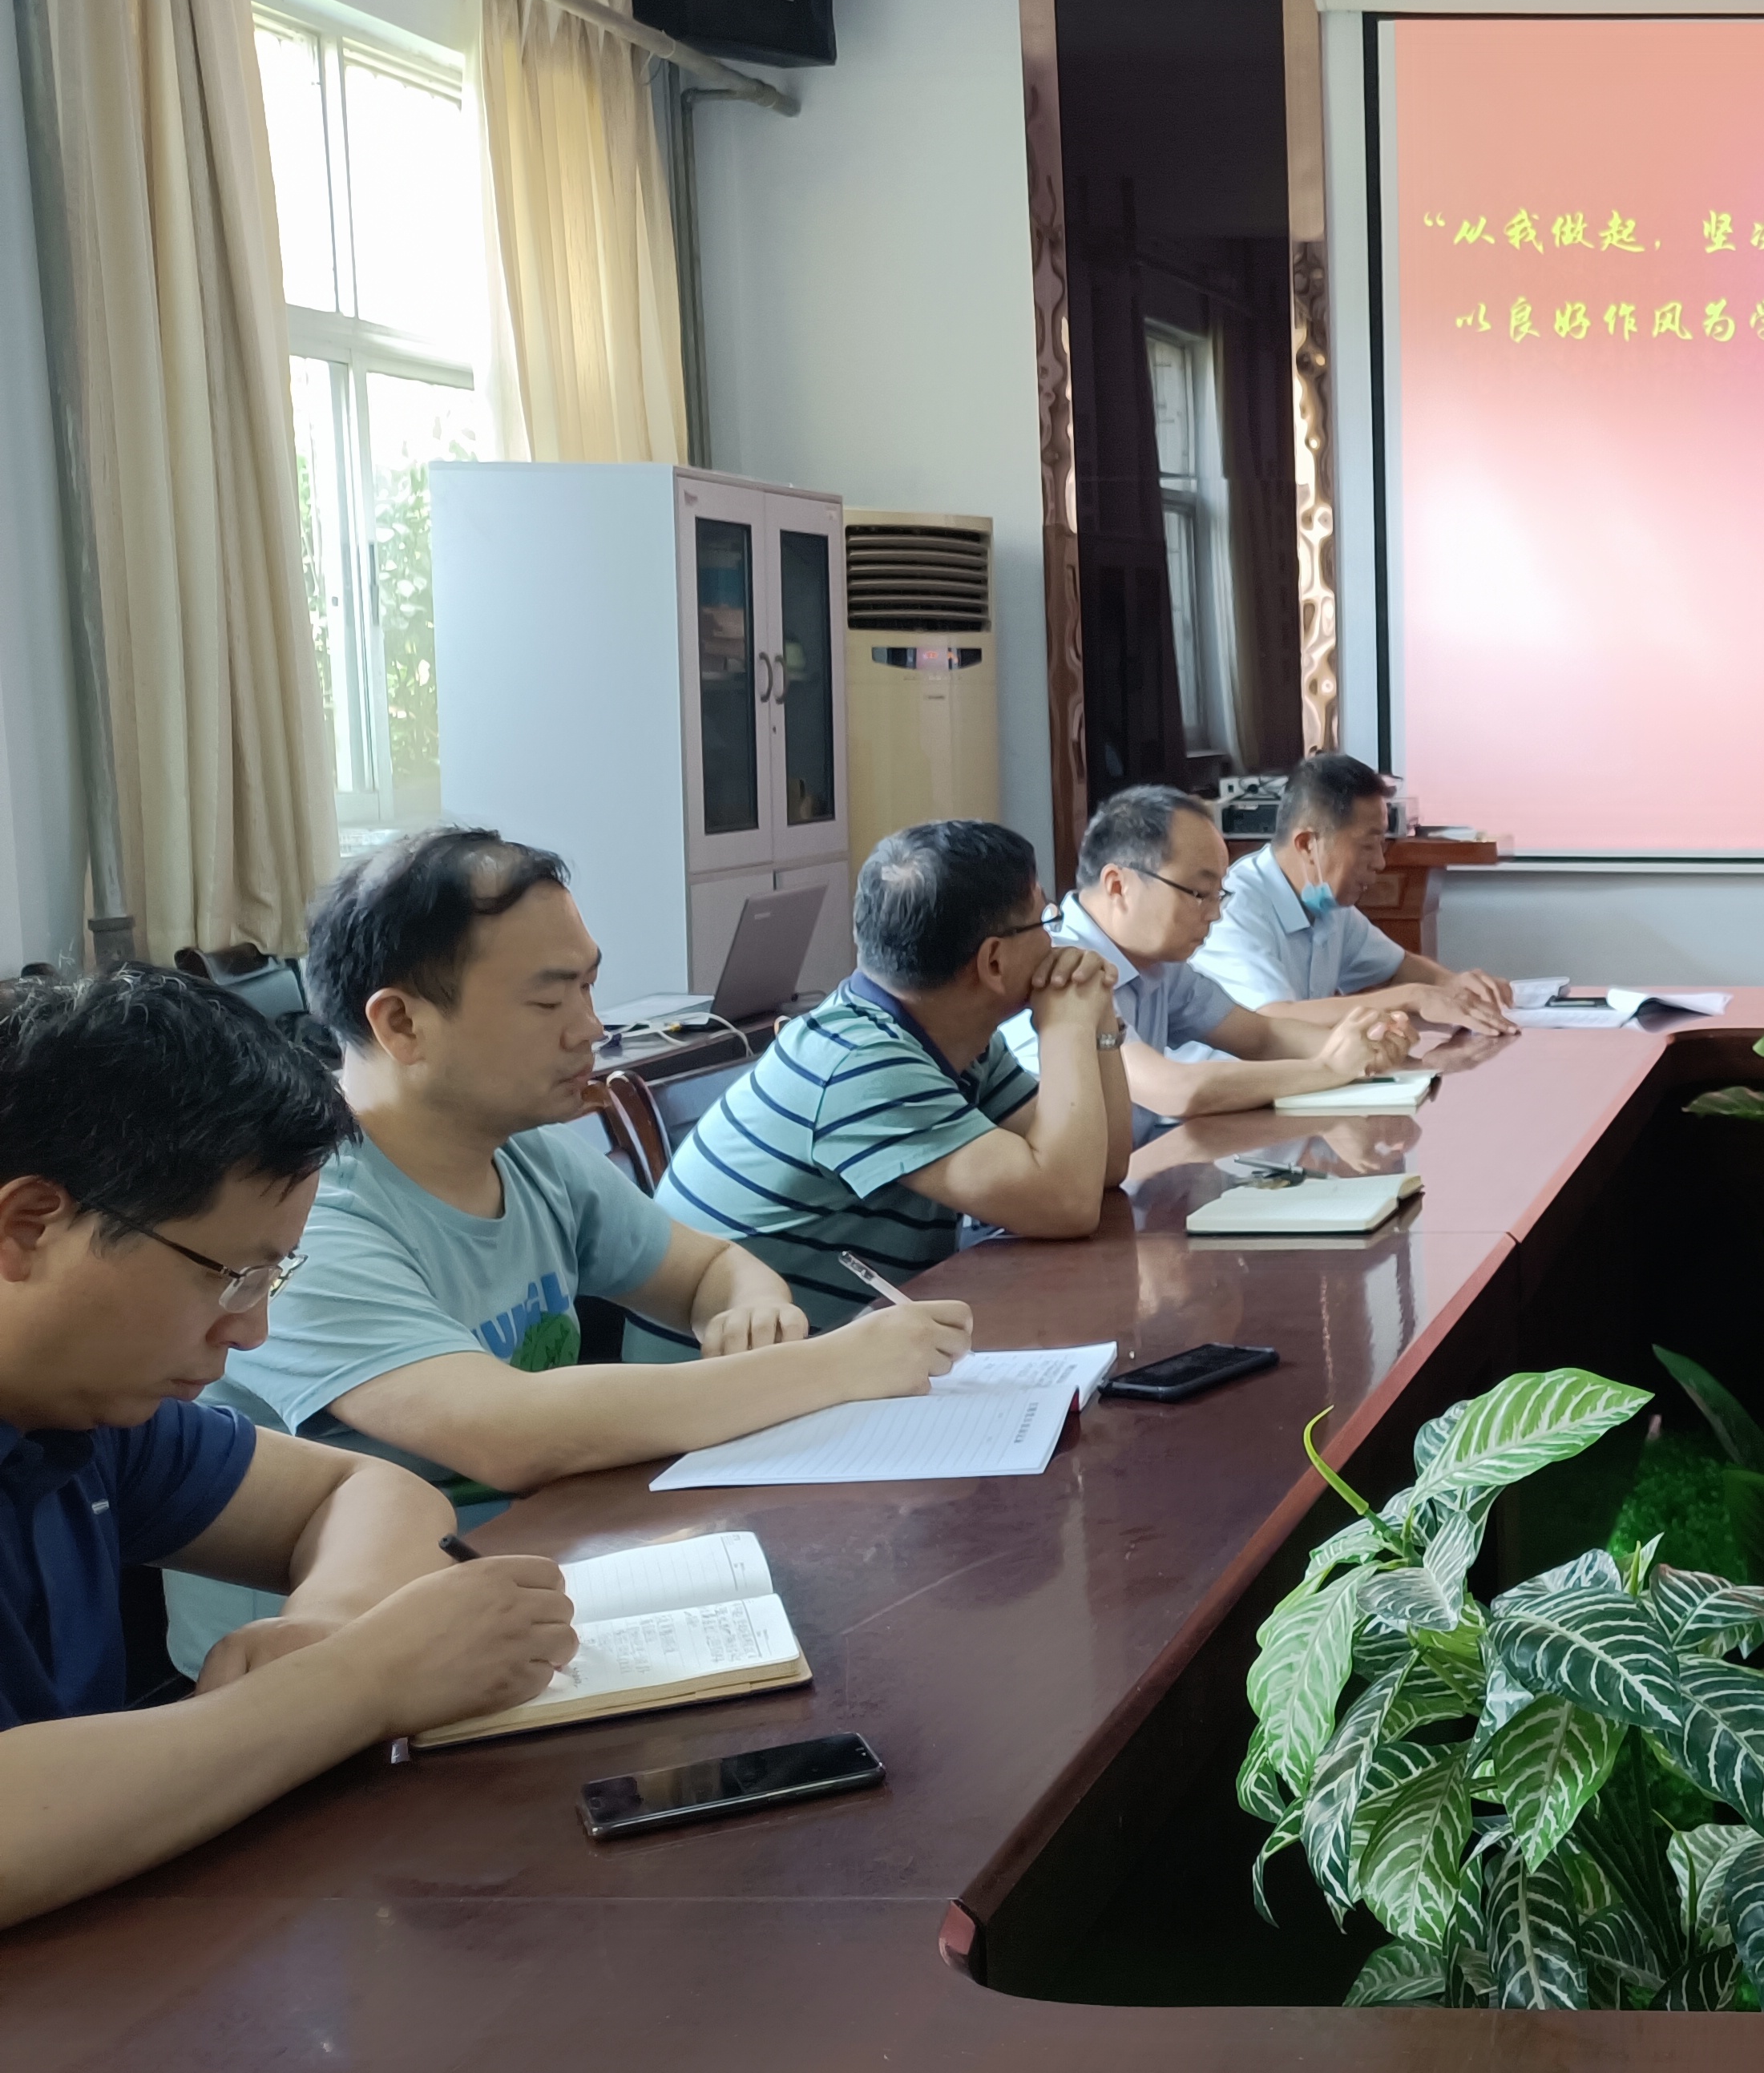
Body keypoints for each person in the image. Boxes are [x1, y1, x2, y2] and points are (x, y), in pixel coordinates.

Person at [165, 832, 975, 1674]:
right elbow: (508, 1433)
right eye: (550, 1002)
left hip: (525, 1600)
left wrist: (751, 1308)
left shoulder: (524, 1151)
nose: (590, 1028)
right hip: (319, 1670)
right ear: (402, 1023)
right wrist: (839, 1364)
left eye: (588, 987)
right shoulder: (303, 1214)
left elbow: (709, 1268)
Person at [0, 966, 579, 1931]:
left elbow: (370, 1493)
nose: (251, 1329)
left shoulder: (81, 1410)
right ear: (29, 1227)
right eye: (229, 1275)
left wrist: (329, 1624)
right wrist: (358, 1680)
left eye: (271, 1278)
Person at [660, 820, 1130, 1328]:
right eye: (1044, 919)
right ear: (994, 962)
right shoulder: (861, 1063)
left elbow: (1102, 1167)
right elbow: (1067, 1203)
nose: (1054, 940)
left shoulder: (951, 1039)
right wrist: (1066, 1024)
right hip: (737, 1369)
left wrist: (1098, 1018)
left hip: (843, 1345)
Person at [1007, 787, 1423, 1136]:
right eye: (1199, 894)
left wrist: (1368, 1045)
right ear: (1119, 885)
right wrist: (1328, 1067)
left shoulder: (1162, 965)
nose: (1215, 913)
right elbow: (1174, 1090)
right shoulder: (1061, 969)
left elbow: (1260, 1036)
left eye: (1218, 894)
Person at [1193, 753, 1514, 1038]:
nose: (1380, 863)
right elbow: (1273, 1018)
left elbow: (1397, 967)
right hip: (1232, 1083)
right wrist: (1414, 996)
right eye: (1367, 846)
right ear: (1307, 845)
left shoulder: (1328, 904)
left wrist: (1453, 985)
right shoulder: (1233, 909)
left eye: (1382, 845)